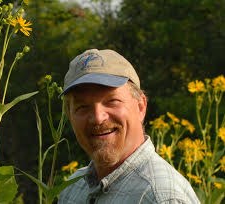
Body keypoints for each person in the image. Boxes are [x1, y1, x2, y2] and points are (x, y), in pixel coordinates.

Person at [58, 49, 200, 204]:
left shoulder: (161, 197)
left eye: (112, 101)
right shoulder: (72, 188)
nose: (98, 118)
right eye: (82, 107)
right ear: (69, 115)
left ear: (140, 106)